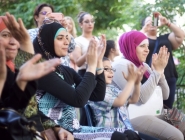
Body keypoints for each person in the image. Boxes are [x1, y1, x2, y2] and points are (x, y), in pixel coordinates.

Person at [32, 19, 133, 139]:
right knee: (120, 138)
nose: (66, 42)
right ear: (46, 42)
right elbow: (78, 100)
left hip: (77, 129)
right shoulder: (42, 72)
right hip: (61, 134)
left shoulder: (65, 70)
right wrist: (91, 66)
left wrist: (99, 61)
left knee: (130, 134)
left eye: (67, 38)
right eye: (60, 38)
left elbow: (97, 95)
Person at [1, 13, 75, 140]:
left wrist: (55, 128)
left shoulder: (11, 70)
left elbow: (28, 108)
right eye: (5, 35)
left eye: (16, 37)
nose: (13, 42)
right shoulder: (6, 73)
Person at [112, 30, 184, 140]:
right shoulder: (121, 65)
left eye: (148, 46)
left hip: (153, 112)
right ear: (130, 46)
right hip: (132, 117)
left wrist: (161, 72)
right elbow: (141, 98)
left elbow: (165, 95)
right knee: (176, 136)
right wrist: (156, 73)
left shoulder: (143, 65)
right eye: (142, 46)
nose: (147, 50)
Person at [89, 57, 158, 140]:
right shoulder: (96, 93)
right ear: (95, 71)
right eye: (106, 69)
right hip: (110, 135)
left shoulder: (113, 88)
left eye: (112, 69)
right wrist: (131, 81)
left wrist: (136, 83)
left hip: (125, 132)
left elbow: (133, 100)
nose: (111, 71)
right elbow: (120, 101)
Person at [141, 12, 185, 109]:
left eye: (153, 21)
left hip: (168, 76)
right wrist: (144, 30)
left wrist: (167, 22)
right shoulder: (142, 39)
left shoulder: (165, 38)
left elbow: (181, 36)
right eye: (148, 22)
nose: (152, 23)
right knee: (150, 107)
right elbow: (132, 43)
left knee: (167, 108)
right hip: (148, 77)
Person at [72, 11, 98, 77]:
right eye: (87, 21)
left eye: (92, 21)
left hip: (98, 71)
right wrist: (89, 51)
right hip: (85, 73)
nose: (90, 24)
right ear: (81, 24)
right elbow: (78, 62)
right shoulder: (77, 40)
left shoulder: (97, 39)